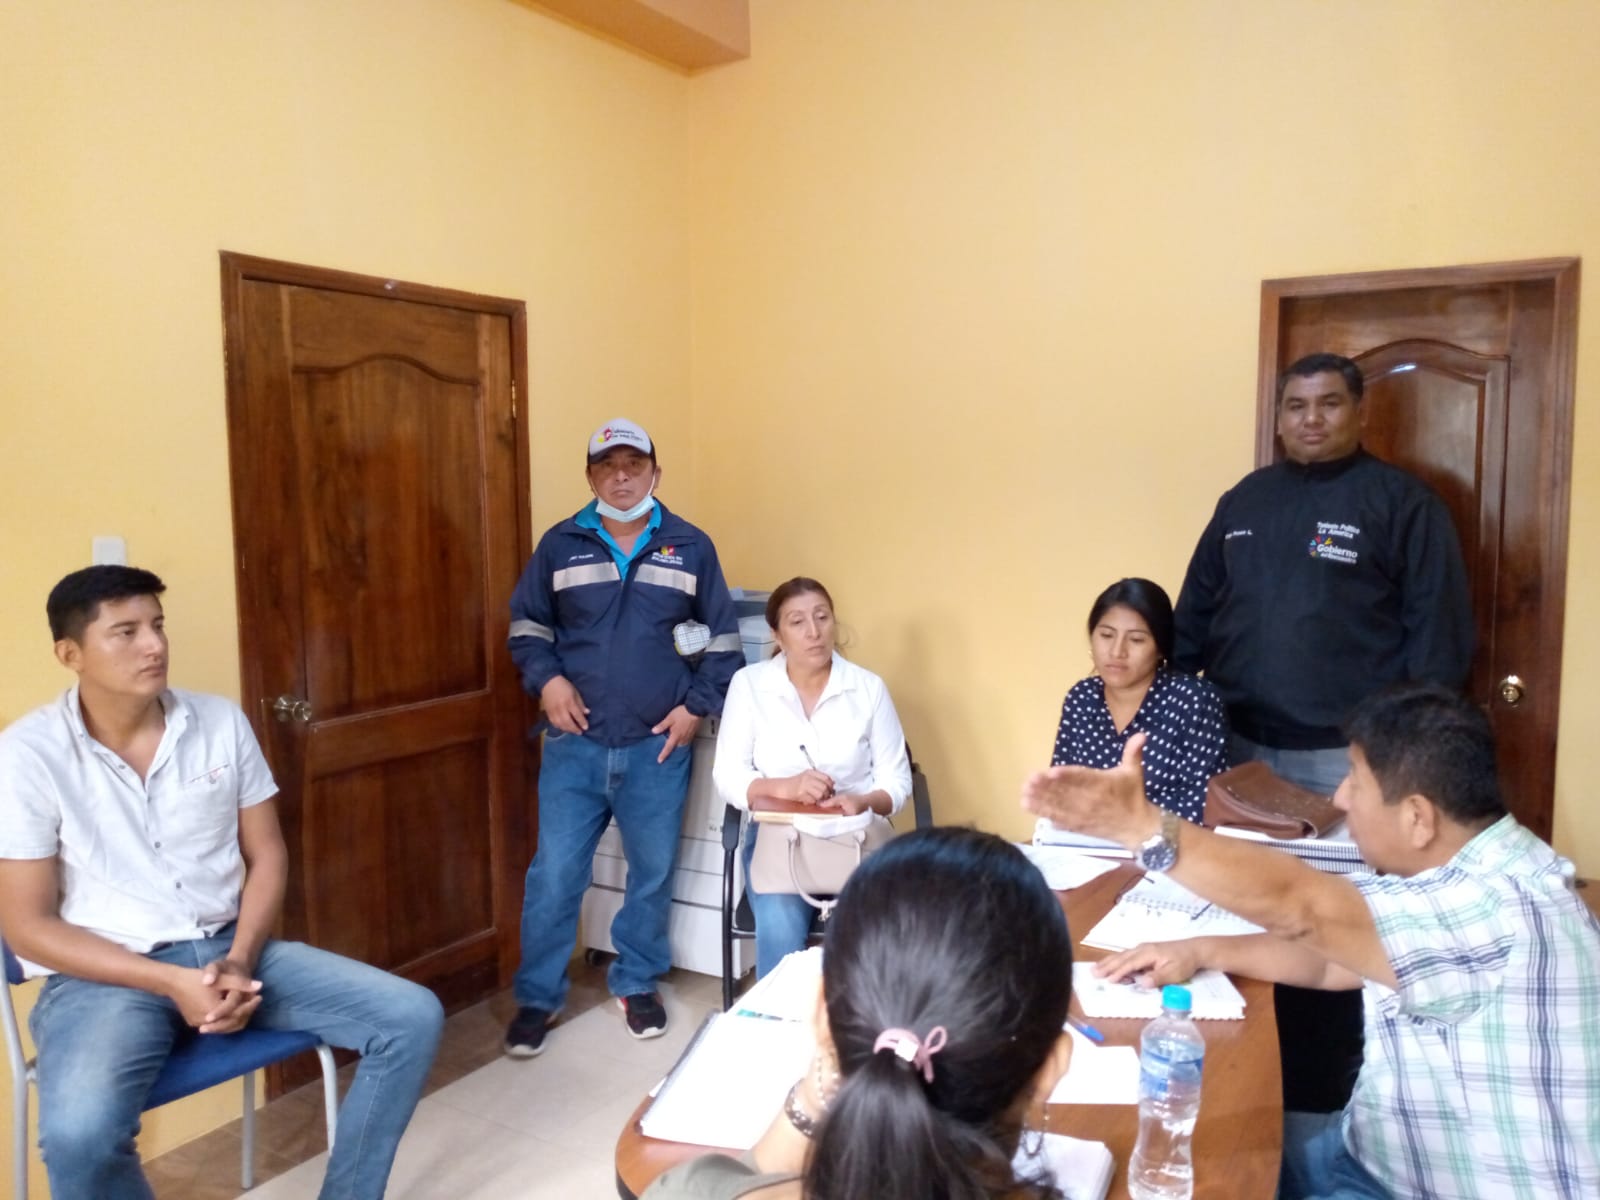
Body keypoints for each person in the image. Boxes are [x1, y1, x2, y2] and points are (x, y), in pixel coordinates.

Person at [1022, 683, 1600, 1200]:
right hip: (1381, 1145)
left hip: (1432, 1184)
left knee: (1196, 1162)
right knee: (1211, 1146)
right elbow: (1332, 962)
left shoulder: (1489, 910)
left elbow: (1305, 910)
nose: (1341, 799)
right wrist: (1202, 950)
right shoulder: (1497, 868)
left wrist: (1142, 826)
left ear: (1418, 818)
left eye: (1356, 781)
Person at [0, 566, 444, 1200]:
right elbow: (27, 927)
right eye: (125, 632)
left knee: (410, 1016)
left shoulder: (218, 722)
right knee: (79, 1136)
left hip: (229, 951)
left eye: (157, 626)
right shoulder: (27, 755)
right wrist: (171, 983)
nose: (154, 645)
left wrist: (238, 959)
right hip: (106, 977)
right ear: (70, 654)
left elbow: (268, 854)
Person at [1171, 351, 1474, 1114]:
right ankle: (1241, 1093)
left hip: (1346, 767)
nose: (1311, 418)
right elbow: (1192, 617)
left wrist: (1404, 760)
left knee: (1337, 928)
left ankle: (1333, 1100)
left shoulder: (1403, 505)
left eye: (1329, 403)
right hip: (1238, 756)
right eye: (1296, 405)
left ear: (1359, 412)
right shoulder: (1244, 502)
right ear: (1278, 417)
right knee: (1238, 908)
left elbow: (1438, 642)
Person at [642, 828, 1078, 1200]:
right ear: (1052, 1068)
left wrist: (813, 1092)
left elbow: (738, 1181)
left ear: (821, 1015)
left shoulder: (684, 1191)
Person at [505, 417, 742, 1053]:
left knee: (651, 874)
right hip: (574, 746)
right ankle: (537, 998)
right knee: (555, 876)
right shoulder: (561, 545)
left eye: (634, 465)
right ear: (591, 477)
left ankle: (636, 981)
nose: (621, 477)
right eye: (608, 466)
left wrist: (693, 710)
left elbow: (723, 642)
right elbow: (527, 629)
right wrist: (549, 682)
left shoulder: (690, 546)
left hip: (655, 748)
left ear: (655, 473)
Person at [712, 577, 912, 979]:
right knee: (782, 932)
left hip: (856, 837)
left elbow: (898, 782)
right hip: (779, 838)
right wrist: (785, 788)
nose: (814, 631)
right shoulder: (750, 686)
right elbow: (728, 774)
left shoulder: (867, 689)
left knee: (864, 940)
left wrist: (863, 800)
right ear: (777, 634)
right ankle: (781, 1016)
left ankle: (855, 1017)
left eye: (822, 617)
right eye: (797, 621)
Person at [1051, 577, 1226, 824]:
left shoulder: (1193, 701)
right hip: (1086, 840)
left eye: (1136, 640)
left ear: (1160, 648)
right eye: (1106, 635)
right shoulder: (1081, 698)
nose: (1117, 652)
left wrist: (1126, 819)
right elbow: (1061, 788)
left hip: (1170, 842)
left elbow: (1203, 804)